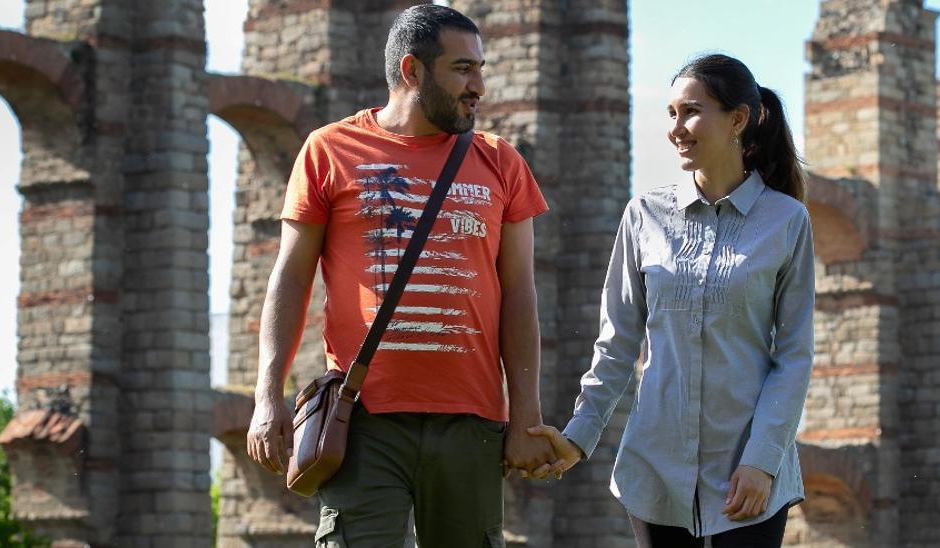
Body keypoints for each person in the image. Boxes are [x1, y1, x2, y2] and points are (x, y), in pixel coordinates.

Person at [245, 5, 555, 547]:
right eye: (463, 69)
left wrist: (525, 412)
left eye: (480, 68)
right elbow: (290, 279)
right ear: (412, 71)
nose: (479, 85)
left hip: (472, 422)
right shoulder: (329, 150)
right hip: (362, 421)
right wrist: (267, 396)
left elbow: (519, 296)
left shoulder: (502, 162)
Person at [528, 53, 816, 547]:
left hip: (749, 474)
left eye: (690, 111)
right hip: (655, 471)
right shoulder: (643, 215)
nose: (676, 128)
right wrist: (579, 436)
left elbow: (793, 356)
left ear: (738, 120)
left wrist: (762, 460)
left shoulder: (787, 221)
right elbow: (616, 344)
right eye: (670, 114)